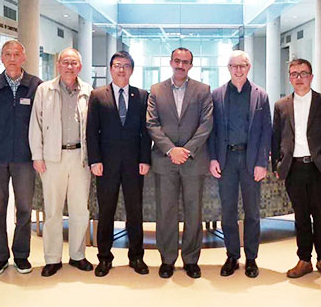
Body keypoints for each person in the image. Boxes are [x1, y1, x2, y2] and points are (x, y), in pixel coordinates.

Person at [146, 47, 213, 279]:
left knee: (194, 212)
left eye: (185, 62)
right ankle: (167, 259)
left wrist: (186, 150)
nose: (180, 65)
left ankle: (191, 260)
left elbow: (206, 124)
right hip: (165, 160)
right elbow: (152, 124)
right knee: (166, 212)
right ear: (170, 62)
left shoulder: (203, 90)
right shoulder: (156, 90)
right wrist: (170, 150)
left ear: (191, 65)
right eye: (177, 61)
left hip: (193, 160)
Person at [271, 58, 321, 282]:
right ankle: (304, 259)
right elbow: (276, 137)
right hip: (293, 168)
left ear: (311, 76)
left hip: (317, 167)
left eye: (303, 73)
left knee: (320, 216)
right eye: (294, 74)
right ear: (289, 77)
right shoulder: (281, 105)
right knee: (300, 216)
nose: (299, 78)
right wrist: (277, 165)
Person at [29, 48, 93, 277]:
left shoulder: (88, 91)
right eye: (65, 62)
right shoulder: (44, 90)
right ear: (58, 65)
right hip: (52, 157)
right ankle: (52, 258)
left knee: (80, 210)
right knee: (53, 211)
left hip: (80, 157)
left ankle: (77, 255)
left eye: (74, 62)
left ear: (80, 67)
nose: (69, 66)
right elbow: (35, 125)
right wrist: (37, 156)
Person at [86, 51, 152, 277]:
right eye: (117, 65)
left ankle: (136, 256)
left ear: (132, 70)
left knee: (135, 211)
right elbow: (91, 131)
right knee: (106, 211)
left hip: (134, 164)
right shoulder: (97, 95)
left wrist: (145, 159)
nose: (121, 69)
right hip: (106, 164)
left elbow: (146, 131)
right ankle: (104, 257)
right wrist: (95, 160)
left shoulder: (142, 95)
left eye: (126, 65)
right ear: (111, 69)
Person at [0, 40, 42, 276]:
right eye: (8, 54)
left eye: (17, 54)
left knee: (24, 209)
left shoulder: (36, 85)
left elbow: (41, 121)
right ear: (2, 58)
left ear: (24, 57)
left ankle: (21, 255)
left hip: (25, 159)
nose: (13, 58)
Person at [208, 50, 271, 278]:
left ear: (248, 67)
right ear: (228, 68)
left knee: (252, 212)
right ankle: (232, 256)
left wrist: (262, 162)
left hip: (251, 160)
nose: (238, 70)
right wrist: (213, 157)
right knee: (228, 211)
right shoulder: (216, 95)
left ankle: (251, 258)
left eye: (242, 65)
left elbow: (266, 131)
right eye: (234, 66)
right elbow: (211, 131)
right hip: (226, 159)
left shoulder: (261, 95)